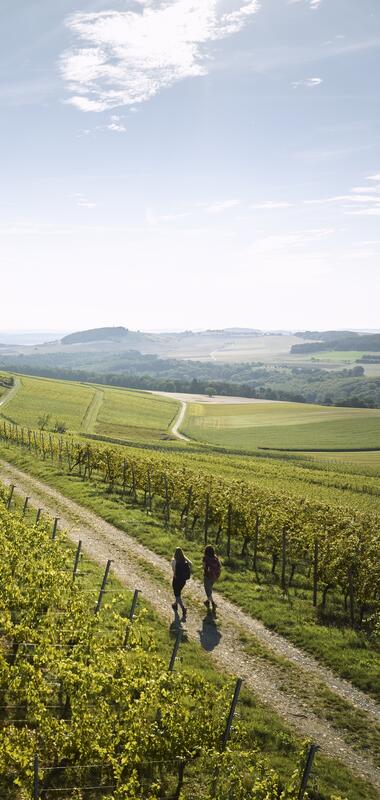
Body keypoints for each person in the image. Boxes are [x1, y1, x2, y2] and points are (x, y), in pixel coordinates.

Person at [171, 547, 192, 622]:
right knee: (178, 593)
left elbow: (174, 570)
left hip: (176, 580)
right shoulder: (184, 560)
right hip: (183, 580)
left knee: (177, 594)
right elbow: (191, 564)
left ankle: (183, 608)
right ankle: (175, 604)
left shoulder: (174, 560)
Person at [203, 545, 221, 613]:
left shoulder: (205, 558)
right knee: (209, 588)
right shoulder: (215, 557)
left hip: (207, 576)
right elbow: (220, 566)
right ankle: (207, 601)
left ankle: (213, 603)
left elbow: (204, 566)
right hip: (215, 576)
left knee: (207, 590)